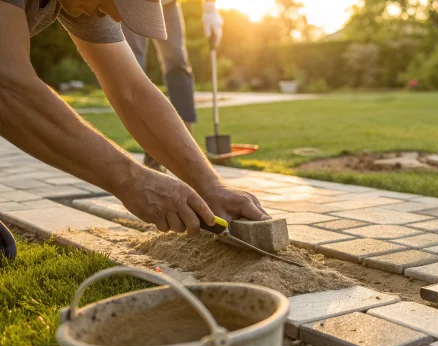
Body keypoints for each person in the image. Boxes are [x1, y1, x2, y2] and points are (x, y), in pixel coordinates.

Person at [0, 0, 271, 250]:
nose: (116, 16)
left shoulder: (90, 5)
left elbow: (132, 91)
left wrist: (210, 186)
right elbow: (8, 86)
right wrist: (132, 180)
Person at [122, 0, 222, 172]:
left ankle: (187, 150)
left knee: (177, 63)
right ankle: (152, 151)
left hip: (167, 5)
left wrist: (210, 8)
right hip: (132, 3)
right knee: (134, 66)